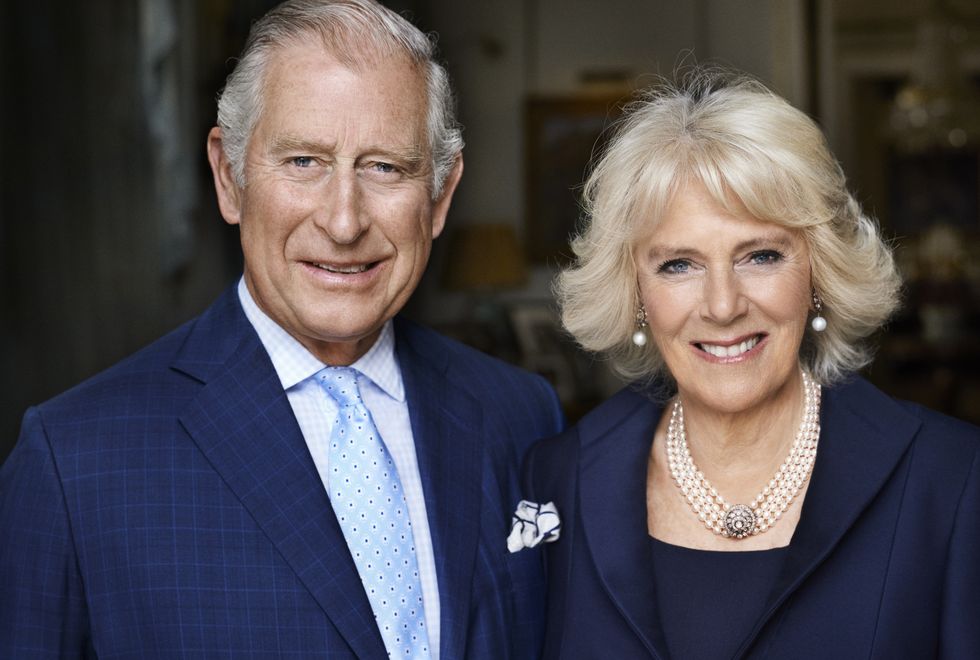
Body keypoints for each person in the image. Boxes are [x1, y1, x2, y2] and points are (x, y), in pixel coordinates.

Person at [0, 1, 564, 657]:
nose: (344, 220)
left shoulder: (521, 416)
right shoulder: (75, 462)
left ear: (439, 195)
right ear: (229, 175)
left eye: (385, 166)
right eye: (303, 161)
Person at [517, 69, 979, 659]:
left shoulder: (953, 481)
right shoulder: (557, 479)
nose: (723, 305)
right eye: (679, 265)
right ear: (635, 290)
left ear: (818, 272)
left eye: (760, 255)